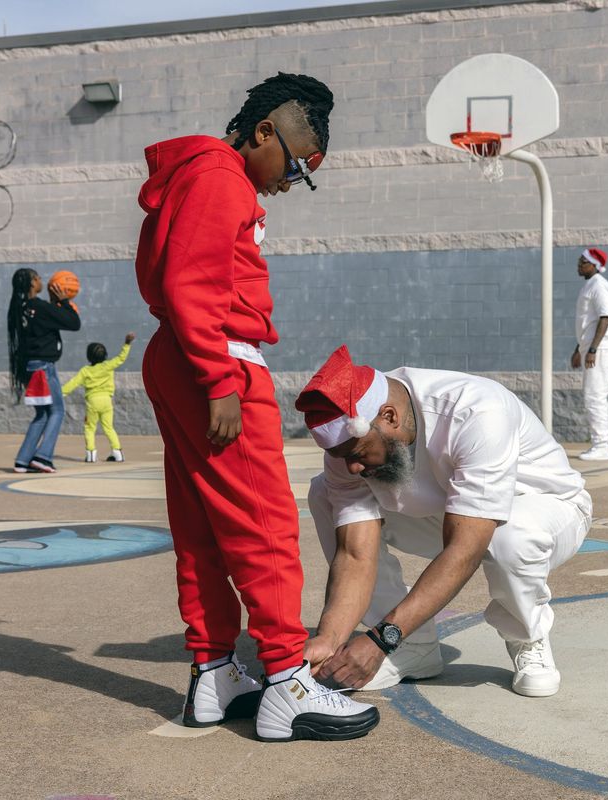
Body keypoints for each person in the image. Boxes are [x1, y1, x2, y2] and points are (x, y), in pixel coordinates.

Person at [135, 72, 378, 743]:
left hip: (184, 352)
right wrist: (219, 377)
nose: (292, 179)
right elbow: (192, 281)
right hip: (215, 355)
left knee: (204, 527)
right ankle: (284, 683)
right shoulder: (219, 175)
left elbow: (183, 280)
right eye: (295, 163)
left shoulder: (201, 173)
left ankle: (215, 674)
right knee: (264, 522)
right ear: (264, 130)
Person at [296, 345, 593, 698]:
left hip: (547, 508)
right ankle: (415, 648)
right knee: (324, 493)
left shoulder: (477, 411)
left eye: (358, 455)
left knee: (510, 536)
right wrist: (330, 637)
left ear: (389, 416)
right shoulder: (352, 444)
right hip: (450, 512)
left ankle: (526, 637)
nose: (353, 468)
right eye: (342, 458)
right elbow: (355, 554)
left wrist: (380, 639)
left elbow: (465, 549)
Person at [7, 267, 81, 474]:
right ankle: (43, 457)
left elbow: (45, 321)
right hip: (43, 367)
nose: (42, 280)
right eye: (38, 278)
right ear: (32, 284)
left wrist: (53, 304)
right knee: (57, 411)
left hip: (29, 367)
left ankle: (23, 460)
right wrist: (63, 301)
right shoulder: (39, 307)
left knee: (42, 414)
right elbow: (74, 323)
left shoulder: (19, 308)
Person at [571, 248, 608, 461]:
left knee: (595, 397)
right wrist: (578, 349)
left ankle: (602, 446)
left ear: (593, 265)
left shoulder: (600, 286)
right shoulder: (590, 285)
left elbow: (604, 317)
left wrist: (592, 349)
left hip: (601, 349)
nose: (579, 265)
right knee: (593, 396)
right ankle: (599, 444)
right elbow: (587, 322)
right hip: (591, 347)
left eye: (583, 262)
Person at [62, 333, 136, 463]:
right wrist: (127, 344)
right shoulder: (108, 366)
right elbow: (121, 358)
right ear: (105, 355)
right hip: (107, 401)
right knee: (109, 427)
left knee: (90, 428)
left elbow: (73, 383)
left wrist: (60, 393)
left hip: (92, 401)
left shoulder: (86, 371)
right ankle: (118, 453)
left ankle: (91, 454)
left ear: (89, 356)